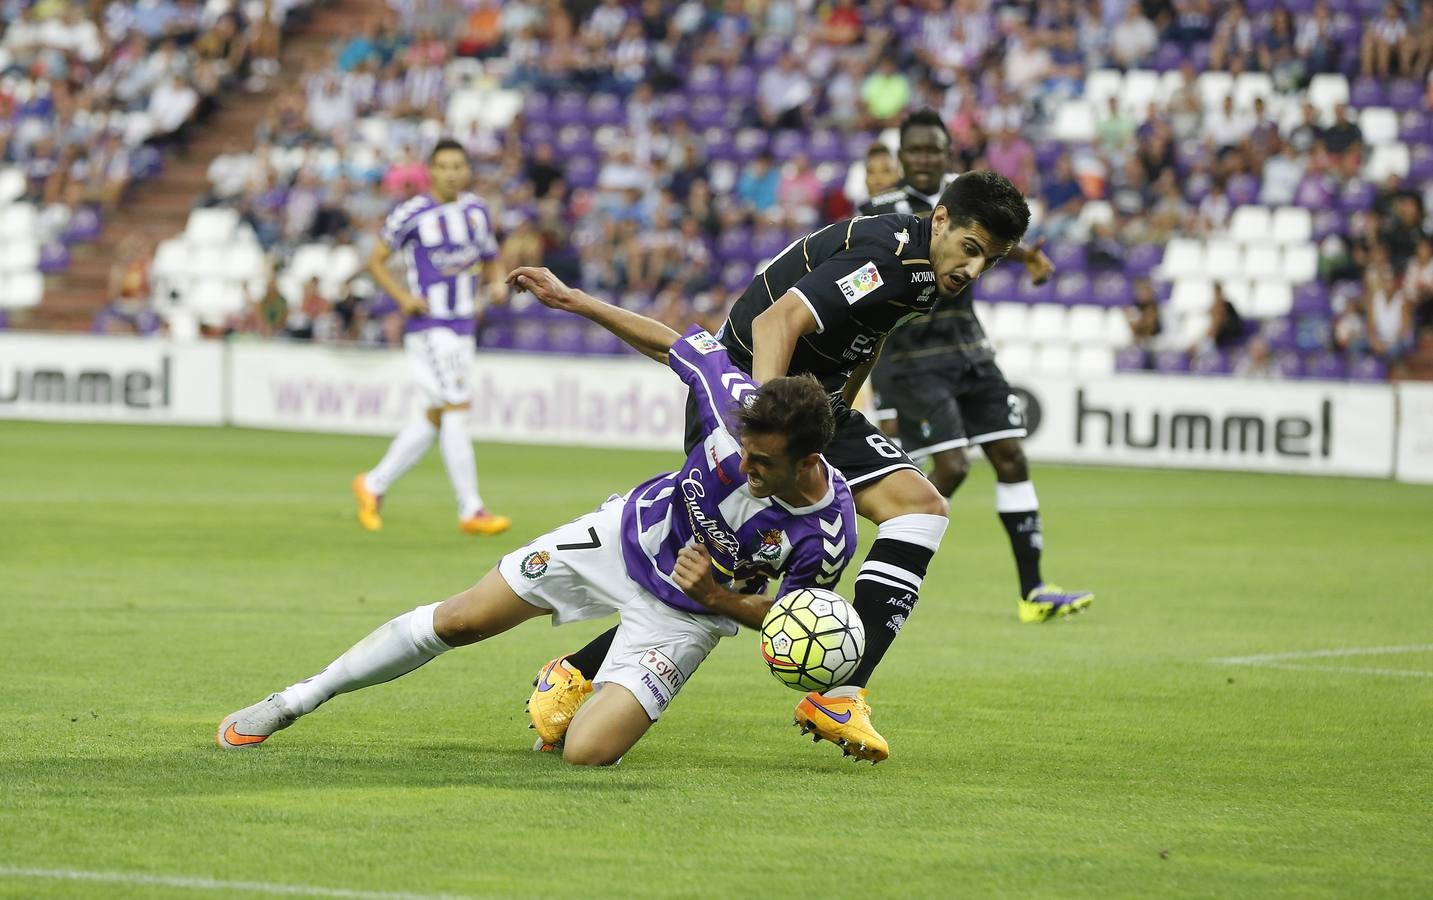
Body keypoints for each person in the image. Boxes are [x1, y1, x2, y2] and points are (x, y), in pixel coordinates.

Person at [523, 170, 1033, 764]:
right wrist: (766, 423)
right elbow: (775, 322)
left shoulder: (924, 271)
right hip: (752, 396)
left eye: (989, 262)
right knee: (730, 579)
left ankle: (836, 693)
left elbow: (870, 333)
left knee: (918, 510)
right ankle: (578, 673)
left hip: (815, 406)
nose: (973, 270)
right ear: (940, 219)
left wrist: (847, 404)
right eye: (971, 250)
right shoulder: (887, 259)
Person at [218, 313, 859, 766]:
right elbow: (673, 344)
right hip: (618, 540)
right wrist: (571, 300)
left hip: (687, 617)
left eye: (762, 464)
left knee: (587, 752)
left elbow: (788, 622)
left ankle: (574, 681)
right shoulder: (733, 405)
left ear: (807, 462)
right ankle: (295, 700)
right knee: (463, 619)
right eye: (744, 454)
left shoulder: (827, 533)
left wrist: (719, 600)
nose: (745, 468)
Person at [859, 110, 1092, 624]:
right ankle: (890, 533)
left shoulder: (967, 198)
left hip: (969, 348)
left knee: (1011, 457)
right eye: (915, 150)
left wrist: (1028, 257)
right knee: (954, 466)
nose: (924, 158)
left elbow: (995, 235)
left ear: (947, 152)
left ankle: (1033, 591)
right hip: (914, 356)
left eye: (933, 149)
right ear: (901, 157)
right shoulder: (879, 210)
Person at [353, 139, 511, 536]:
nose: (453, 173)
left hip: (463, 324)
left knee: (434, 416)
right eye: (445, 166)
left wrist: (497, 284)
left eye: (459, 165)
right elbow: (374, 259)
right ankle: (471, 509)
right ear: (431, 172)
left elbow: (491, 257)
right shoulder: (412, 214)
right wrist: (403, 298)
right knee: (456, 407)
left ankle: (372, 484)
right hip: (430, 326)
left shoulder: (477, 211)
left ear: (467, 170)